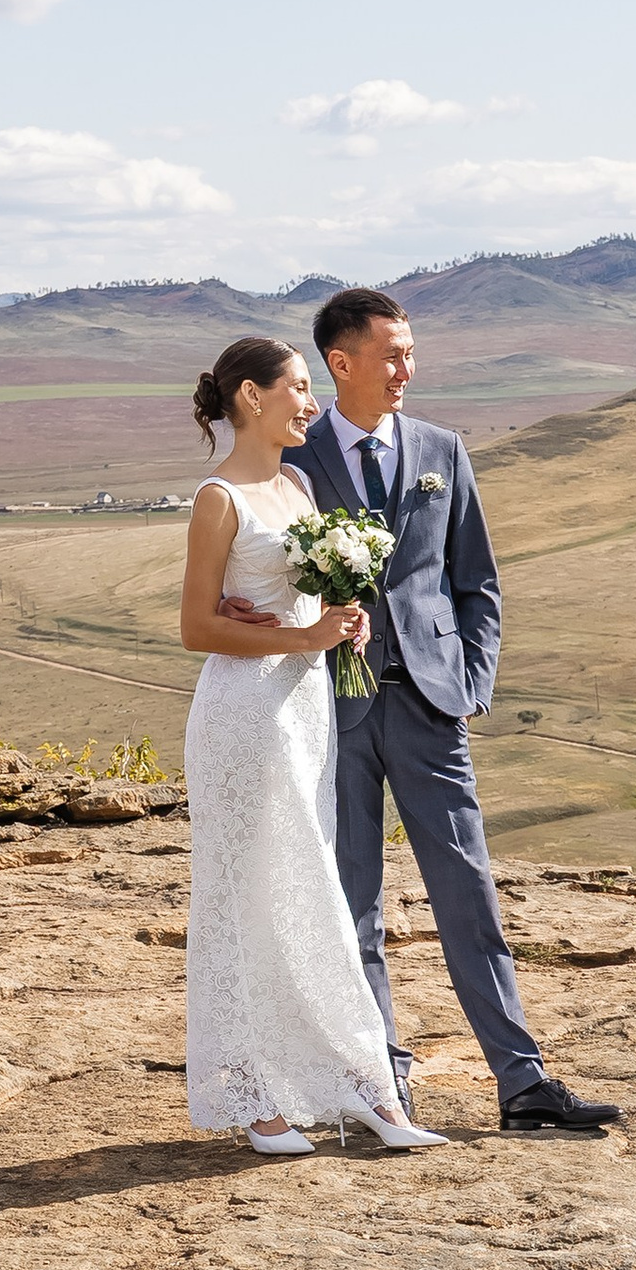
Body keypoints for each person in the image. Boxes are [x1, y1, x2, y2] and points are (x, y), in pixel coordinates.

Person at [277, 284, 618, 1136]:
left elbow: (477, 583)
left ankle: (523, 1082)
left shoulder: (442, 449)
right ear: (341, 362)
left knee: (468, 893)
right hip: (333, 709)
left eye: (411, 353)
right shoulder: (294, 458)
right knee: (352, 903)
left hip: (433, 707)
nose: (407, 370)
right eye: (391, 355)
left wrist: (471, 682)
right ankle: (380, 1082)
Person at [177, 334, 448, 1158]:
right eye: (298, 386)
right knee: (249, 896)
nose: (310, 402)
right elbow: (196, 627)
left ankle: (357, 1084)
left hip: (303, 710)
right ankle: (258, 1097)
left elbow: (299, 602)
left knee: (308, 888)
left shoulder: (295, 485)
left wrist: (341, 620)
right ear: (251, 396)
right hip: (243, 716)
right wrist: (303, 637)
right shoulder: (218, 498)